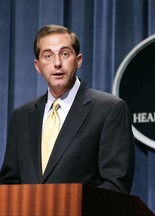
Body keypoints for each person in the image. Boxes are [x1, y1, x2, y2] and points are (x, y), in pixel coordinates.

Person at [0, 24, 135, 193]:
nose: (57, 63)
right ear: (38, 65)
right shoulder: (21, 116)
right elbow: (9, 183)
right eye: (48, 56)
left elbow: (115, 185)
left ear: (78, 60)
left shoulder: (109, 109)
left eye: (64, 54)